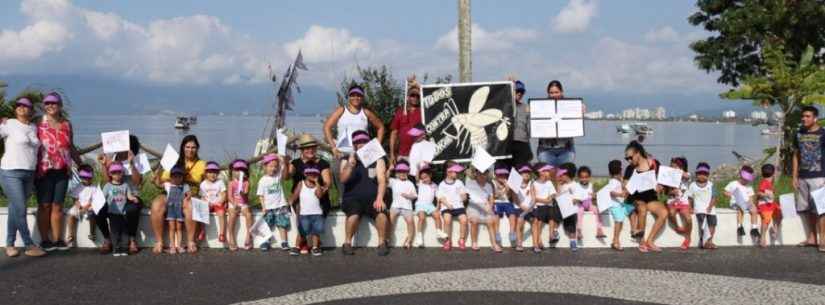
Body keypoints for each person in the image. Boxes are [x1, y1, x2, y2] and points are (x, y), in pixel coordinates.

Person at [35, 92, 83, 252]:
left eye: (54, 103)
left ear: (60, 105)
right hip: (43, 170)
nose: (50, 105)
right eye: (47, 103)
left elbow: (71, 147)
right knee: (45, 205)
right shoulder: (38, 123)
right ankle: (44, 240)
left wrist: (81, 164)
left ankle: (57, 239)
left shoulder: (67, 124)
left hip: (63, 170)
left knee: (57, 205)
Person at [2, 97, 46, 257]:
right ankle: (29, 244)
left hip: (29, 173)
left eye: (25, 105)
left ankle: (10, 244)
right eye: (19, 105)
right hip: (10, 172)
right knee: (21, 208)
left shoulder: (34, 127)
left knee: (15, 209)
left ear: (31, 110)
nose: (21, 107)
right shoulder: (9, 124)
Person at [150, 135, 206, 254]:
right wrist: (156, 179)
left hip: (190, 193)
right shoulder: (173, 160)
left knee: (190, 205)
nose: (190, 150)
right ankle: (159, 242)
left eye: (193, 147)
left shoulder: (202, 164)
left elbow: (207, 183)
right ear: (182, 147)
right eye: (187, 147)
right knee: (156, 205)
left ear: (197, 149)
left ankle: (191, 242)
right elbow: (162, 181)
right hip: (171, 192)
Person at [339, 130, 390, 256]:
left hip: (373, 197)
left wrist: (379, 198)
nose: (361, 144)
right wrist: (351, 165)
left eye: (364, 141)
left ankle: (382, 243)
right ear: (354, 144)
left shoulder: (378, 158)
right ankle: (347, 243)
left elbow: (382, 180)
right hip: (352, 198)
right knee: (353, 215)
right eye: (358, 142)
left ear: (369, 143)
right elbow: (343, 179)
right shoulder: (346, 158)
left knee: (382, 214)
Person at [96, 135, 144, 254]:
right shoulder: (112, 159)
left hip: (131, 195)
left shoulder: (138, 159)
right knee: (97, 210)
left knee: (132, 209)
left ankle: (132, 239)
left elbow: (138, 182)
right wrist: (103, 165)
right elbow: (108, 181)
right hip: (113, 196)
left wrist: (132, 163)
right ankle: (107, 239)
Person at [288, 134, 333, 256]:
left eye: (313, 147)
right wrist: (283, 161)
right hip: (300, 197)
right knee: (300, 211)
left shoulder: (323, 163)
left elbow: (328, 182)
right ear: (301, 150)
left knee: (315, 215)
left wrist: (320, 191)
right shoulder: (295, 163)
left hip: (319, 197)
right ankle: (303, 242)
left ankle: (312, 243)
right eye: (307, 148)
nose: (310, 150)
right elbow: (286, 177)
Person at [624, 140, 668, 253]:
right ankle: (642, 241)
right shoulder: (630, 169)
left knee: (663, 212)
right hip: (636, 198)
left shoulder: (654, 164)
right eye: (626, 159)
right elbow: (625, 188)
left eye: (630, 157)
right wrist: (627, 186)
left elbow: (662, 180)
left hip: (650, 198)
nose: (629, 160)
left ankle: (650, 240)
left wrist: (660, 186)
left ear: (638, 153)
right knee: (641, 208)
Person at [792, 105, 825, 252]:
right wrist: (794, 176)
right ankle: (812, 238)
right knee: (806, 209)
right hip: (803, 176)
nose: (804, 119)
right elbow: (796, 155)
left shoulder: (823, 134)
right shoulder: (798, 133)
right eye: (803, 116)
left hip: (819, 176)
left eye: (807, 116)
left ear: (815, 118)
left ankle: (823, 240)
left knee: (821, 209)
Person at [323, 84, 386, 160]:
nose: (356, 98)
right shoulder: (341, 110)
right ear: (349, 97)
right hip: (343, 153)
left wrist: (376, 145)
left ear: (362, 97)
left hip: (363, 155)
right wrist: (333, 147)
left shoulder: (366, 112)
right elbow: (326, 127)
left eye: (359, 95)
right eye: (353, 95)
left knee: (381, 163)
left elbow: (381, 127)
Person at [536, 81, 583, 166]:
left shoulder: (570, 105)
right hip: (545, 151)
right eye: (551, 92)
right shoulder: (540, 106)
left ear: (562, 92)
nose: (554, 95)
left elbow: (575, 123)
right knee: (547, 177)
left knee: (564, 177)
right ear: (548, 93)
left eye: (556, 92)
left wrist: (580, 109)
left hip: (566, 151)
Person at [289, 164, 328, 256]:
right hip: (304, 213)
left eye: (315, 174)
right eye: (310, 173)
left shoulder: (318, 186)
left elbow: (319, 195)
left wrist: (317, 183)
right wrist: (291, 200)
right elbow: (295, 195)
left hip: (317, 213)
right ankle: (297, 246)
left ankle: (315, 247)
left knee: (316, 232)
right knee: (302, 231)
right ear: (305, 174)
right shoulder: (301, 183)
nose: (312, 175)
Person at [102, 163, 139, 256]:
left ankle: (124, 248)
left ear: (123, 173)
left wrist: (133, 199)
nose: (117, 174)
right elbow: (102, 198)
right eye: (114, 172)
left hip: (123, 212)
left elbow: (129, 195)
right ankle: (116, 248)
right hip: (112, 213)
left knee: (124, 231)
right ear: (110, 174)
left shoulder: (125, 185)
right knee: (115, 232)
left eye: (119, 172)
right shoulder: (107, 186)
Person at [257, 154, 291, 251]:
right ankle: (266, 241)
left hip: (280, 205)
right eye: (271, 166)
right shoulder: (262, 180)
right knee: (267, 224)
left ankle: (284, 242)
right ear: (265, 167)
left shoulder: (278, 176)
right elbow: (261, 195)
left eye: (275, 166)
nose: (273, 169)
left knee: (282, 224)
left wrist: (278, 157)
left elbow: (283, 166)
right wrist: (263, 207)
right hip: (268, 207)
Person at [466, 168, 501, 252]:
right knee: (474, 220)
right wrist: (484, 207)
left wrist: (490, 207)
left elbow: (491, 199)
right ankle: (474, 242)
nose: (482, 175)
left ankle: (494, 244)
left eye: (484, 174)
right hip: (473, 206)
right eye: (480, 173)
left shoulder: (488, 185)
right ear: (476, 174)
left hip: (486, 206)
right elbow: (471, 198)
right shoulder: (470, 183)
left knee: (491, 221)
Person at [389, 77, 422, 163]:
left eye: (417, 96)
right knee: (401, 176)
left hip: (419, 154)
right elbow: (394, 133)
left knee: (418, 177)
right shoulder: (400, 112)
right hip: (402, 155)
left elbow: (428, 94)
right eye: (412, 95)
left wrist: (416, 84)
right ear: (407, 97)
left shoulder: (423, 111)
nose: (415, 98)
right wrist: (392, 154)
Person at [437, 162, 469, 251]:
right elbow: (441, 197)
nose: (457, 173)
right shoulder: (442, 184)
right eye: (456, 172)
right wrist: (447, 204)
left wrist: (464, 197)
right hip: (447, 207)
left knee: (464, 220)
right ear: (448, 172)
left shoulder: (459, 182)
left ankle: (461, 239)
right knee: (447, 220)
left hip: (459, 206)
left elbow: (464, 194)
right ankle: (447, 240)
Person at [387, 160, 417, 249]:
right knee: (390, 220)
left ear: (407, 173)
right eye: (400, 172)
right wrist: (389, 170)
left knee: (410, 222)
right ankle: (387, 239)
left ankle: (409, 240)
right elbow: (384, 179)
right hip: (395, 206)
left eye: (404, 172)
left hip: (407, 207)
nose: (402, 173)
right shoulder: (393, 181)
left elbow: (415, 196)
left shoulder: (410, 183)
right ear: (396, 173)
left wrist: (408, 196)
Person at [687, 162, 717, 249]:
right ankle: (703, 241)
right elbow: (690, 198)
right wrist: (690, 208)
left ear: (708, 175)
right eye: (700, 174)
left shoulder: (711, 185)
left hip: (710, 210)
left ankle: (710, 241)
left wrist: (710, 207)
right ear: (696, 174)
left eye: (704, 174)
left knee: (712, 225)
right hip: (699, 210)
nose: (702, 176)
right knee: (702, 226)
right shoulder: (692, 185)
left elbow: (714, 197)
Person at [665, 157, 693, 250]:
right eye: (672, 165)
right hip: (672, 201)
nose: (673, 167)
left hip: (683, 202)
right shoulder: (668, 177)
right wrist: (672, 192)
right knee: (671, 213)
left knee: (688, 219)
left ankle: (688, 238)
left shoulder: (686, 174)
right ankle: (677, 227)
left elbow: (687, 176)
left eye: (676, 165)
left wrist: (677, 171)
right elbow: (667, 192)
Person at [724, 165, 759, 239]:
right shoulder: (733, 184)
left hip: (746, 203)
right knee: (740, 208)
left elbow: (750, 198)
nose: (746, 181)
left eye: (747, 180)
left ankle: (754, 228)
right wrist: (731, 195)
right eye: (745, 179)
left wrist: (751, 205)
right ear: (741, 176)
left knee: (754, 210)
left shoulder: (749, 187)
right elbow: (725, 192)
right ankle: (740, 227)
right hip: (735, 203)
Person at [531, 163, 557, 253]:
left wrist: (549, 199)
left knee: (552, 214)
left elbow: (553, 194)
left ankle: (550, 235)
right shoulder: (534, 183)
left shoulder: (549, 182)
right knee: (538, 223)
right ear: (540, 172)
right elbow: (534, 198)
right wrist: (545, 201)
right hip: (539, 207)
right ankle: (537, 242)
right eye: (546, 171)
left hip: (548, 207)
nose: (549, 172)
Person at [492, 165, 520, 248]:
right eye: (500, 175)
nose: (502, 176)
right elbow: (495, 195)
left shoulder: (508, 183)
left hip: (507, 202)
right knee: (496, 214)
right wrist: (500, 190)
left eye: (504, 174)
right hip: (497, 202)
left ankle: (512, 232)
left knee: (512, 213)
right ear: (496, 175)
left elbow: (509, 195)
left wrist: (507, 187)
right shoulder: (493, 183)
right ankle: (497, 232)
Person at [199, 162, 227, 246]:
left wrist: (220, 202)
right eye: (210, 172)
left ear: (218, 173)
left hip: (218, 203)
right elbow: (202, 196)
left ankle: (221, 233)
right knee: (202, 211)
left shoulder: (220, 182)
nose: (212, 174)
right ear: (206, 173)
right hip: (208, 203)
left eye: (215, 172)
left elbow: (223, 194)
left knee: (221, 213)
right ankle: (202, 230)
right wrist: (206, 203)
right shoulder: (203, 184)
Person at [226, 159, 252, 251]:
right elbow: (229, 196)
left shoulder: (246, 182)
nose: (239, 172)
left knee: (248, 215)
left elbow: (245, 196)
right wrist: (234, 203)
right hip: (233, 203)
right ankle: (231, 236)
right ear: (233, 171)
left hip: (243, 203)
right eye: (237, 170)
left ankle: (249, 235)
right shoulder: (231, 183)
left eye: (242, 170)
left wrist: (243, 193)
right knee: (232, 215)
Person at [555, 163, 581, 251]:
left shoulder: (575, 185)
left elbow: (578, 197)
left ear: (567, 175)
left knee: (571, 226)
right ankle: (555, 230)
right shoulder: (562, 185)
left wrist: (574, 200)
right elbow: (558, 195)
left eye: (562, 175)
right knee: (556, 216)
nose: (560, 176)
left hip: (571, 210)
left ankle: (573, 241)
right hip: (563, 209)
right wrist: (558, 184)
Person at [413, 164, 440, 247]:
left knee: (437, 216)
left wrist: (438, 207)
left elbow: (438, 197)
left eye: (426, 177)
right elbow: (417, 178)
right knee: (422, 217)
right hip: (420, 204)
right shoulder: (421, 183)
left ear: (430, 176)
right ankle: (419, 236)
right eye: (422, 178)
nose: (424, 179)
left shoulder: (435, 186)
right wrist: (418, 168)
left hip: (430, 205)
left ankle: (439, 232)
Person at [574, 166, 604, 240]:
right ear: (578, 177)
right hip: (580, 204)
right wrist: (576, 200)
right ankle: (579, 230)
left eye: (586, 177)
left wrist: (594, 196)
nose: (584, 179)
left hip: (589, 203)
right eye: (582, 177)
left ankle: (599, 229)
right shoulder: (576, 185)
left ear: (589, 177)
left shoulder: (591, 185)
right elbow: (574, 198)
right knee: (579, 212)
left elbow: (593, 197)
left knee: (597, 210)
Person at [604, 160, 628, 251]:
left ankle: (615, 240)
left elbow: (623, 189)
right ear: (620, 169)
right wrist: (620, 195)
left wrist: (621, 181)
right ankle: (616, 241)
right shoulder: (613, 181)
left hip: (619, 204)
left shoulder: (616, 180)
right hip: (615, 205)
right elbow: (611, 192)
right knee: (618, 222)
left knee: (620, 222)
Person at [756, 164, 780, 248]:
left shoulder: (769, 183)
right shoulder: (765, 182)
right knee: (766, 219)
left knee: (779, 213)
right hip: (764, 205)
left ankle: (775, 229)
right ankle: (762, 237)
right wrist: (766, 195)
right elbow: (759, 193)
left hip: (770, 204)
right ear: (773, 173)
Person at [510, 80, 533, 166]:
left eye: (522, 92)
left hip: (522, 143)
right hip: (506, 145)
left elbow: (530, 129)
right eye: (517, 91)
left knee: (520, 171)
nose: (519, 93)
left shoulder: (526, 107)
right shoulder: (504, 105)